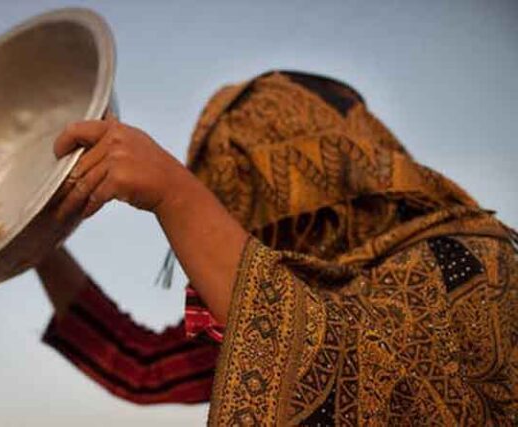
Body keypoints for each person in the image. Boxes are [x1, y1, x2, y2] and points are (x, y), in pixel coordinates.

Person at [34, 70, 518, 425]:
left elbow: (362, 372)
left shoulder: (471, 265)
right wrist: (36, 243)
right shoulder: (259, 329)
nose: (233, 214)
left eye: (239, 182)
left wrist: (176, 195)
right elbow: (141, 365)